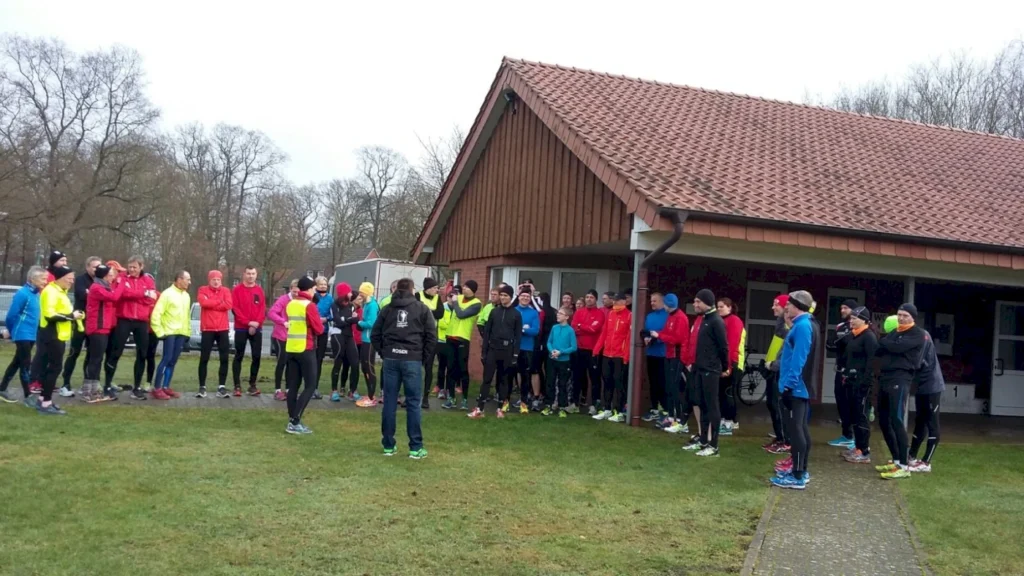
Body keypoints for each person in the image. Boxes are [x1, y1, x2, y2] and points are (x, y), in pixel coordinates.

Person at [371, 277, 434, 458]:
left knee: (390, 401)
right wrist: (422, 357)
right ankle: (415, 447)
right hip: (411, 359)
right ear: (413, 290)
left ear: (397, 289)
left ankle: (388, 445)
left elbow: (375, 334)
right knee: (413, 402)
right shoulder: (422, 309)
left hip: (391, 358)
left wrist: (385, 352)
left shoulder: (387, 309)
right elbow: (431, 336)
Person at [770, 290, 819, 489]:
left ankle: (797, 475)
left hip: (796, 388)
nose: (786, 308)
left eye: (788, 304)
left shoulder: (803, 326)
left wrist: (789, 385)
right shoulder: (804, 324)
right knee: (800, 429)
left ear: (796, 305)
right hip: (797, 386)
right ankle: (801, 471)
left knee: (796, 430)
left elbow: (799, 359)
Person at [875, 304, 926, 480]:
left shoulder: (917, 334)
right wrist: (890, 342)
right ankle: (896, 459)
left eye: (905, 315)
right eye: (899, 315)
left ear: (913, 317)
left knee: (896, 420)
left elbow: (894, 347)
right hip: (885, 378)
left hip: (901, 379)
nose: (901, 318)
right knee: (883, 420)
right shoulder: (896, 333)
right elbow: (881, 347)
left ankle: (904, 465)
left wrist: (890, 343)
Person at [683, 289, 729, 456]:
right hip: (699, 368)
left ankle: (714, 445)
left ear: (707, 302)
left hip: (711, 370)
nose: (695, 305)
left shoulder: (716, 321)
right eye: (694, 302)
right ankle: (703, 441)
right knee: (701, 405)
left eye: (698, 302)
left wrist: (724, 367)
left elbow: (723, 346)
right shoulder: (703, 320)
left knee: (712, 406)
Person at [104, 256, 157, 401]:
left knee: (142, 354)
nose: (132, 269)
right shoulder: (122, 278)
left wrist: (142, 295)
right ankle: (107, 386)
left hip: (141, 321)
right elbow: (121, 294)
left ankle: (137, 387)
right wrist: (142, 293)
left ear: (141, 266)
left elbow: (151, 298)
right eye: (130, 266)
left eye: (135, 267)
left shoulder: (148, 280)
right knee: (116, 352)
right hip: (124, 319)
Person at [33, 266, 82, 415]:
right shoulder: (50, 291)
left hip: (59, 335)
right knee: (54, 368)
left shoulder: (60, 291)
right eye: (69, 279)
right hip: (51, 335)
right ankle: (46, 403)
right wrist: (71, 316)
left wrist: (73, 316)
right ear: (60, 278)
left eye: (73, 279)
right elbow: (49, 315)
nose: (72, 282)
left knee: (53, 368)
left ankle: (43, 399)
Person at [469, 284, 520, 419]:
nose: (503, 298)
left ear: (511, 297)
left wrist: (515, 354)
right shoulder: (494, 311)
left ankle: (500, 409)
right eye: (501, 295)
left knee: (503, 380)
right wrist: (484, 351)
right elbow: (487, 333)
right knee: (486, 379)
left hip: (507, 350)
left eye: (505, 296)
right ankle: (480, 408)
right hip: (493, 349)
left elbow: (518, 336)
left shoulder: (516, 314)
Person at [283, 276, 325, 434]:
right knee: (310, 385)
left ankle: (291, 419)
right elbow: (319, 329)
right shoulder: (309, 305)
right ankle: (295, 421)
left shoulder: (291, 303)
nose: (316, 290)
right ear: (308, 289)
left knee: (293, 385)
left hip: (291, 347)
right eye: (314, 288)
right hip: (306, 348)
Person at [0, 266, 47, 404]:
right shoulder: (22, 293)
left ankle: (2, 389)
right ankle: (27, 396)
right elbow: (11, 315)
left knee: (17, 362)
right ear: (33, 279)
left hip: (31, 334)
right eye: (43, 279)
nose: (45, 281)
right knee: (25, 364)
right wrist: (11, 330)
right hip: (22, 334)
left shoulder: (36, 294)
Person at [842, 306, 879, 464]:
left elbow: (872, 362)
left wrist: (865, 382)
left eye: (854, 318)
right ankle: (857, 446)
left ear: (864, 320)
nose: (851, 320)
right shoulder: (854, 336)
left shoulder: (869, 337)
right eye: (850, 318)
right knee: (853, 416)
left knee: (861, 416)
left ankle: (864, 451)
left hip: (863, 384)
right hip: (851, 381)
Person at [82, 264, 123, 402]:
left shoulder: (102, 286)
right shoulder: (97, 288)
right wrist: (121, 283)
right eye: (110, 275)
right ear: (104, 276)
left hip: (103, 328)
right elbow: (115, 296)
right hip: (97, 328)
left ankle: (92, 390)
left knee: (97, 359)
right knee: (95, 360)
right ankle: (89, 391)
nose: (112, 278)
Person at [60, 256, 100, 396]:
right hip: (80, 322)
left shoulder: (100, 280)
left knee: (91, 355)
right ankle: (65, 383)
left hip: (94, 323)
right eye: (94, 266)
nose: (97, 269)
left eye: (99, 266)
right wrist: (94, 294)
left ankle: (86, 384)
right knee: (74, 353)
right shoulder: (80, 280)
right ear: (88, 267)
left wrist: (93, 293)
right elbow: (82, 295)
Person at [150, 271, 192, 400]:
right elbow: (156, 314)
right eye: (187, 279)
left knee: (173, 361)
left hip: (181, 333)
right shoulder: (167, 294)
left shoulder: (186, 296)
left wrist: (187, 333)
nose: (189, 282)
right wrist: (160, 332)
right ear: (179, 279)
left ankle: (166, 387)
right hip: (169, 333)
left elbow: (186, 317)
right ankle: (157, 388)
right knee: (166, 359)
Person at [908, 328, 944, 473]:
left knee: (932, 422)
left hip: (932, 386)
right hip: (920, 387)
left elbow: (916, 362)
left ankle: (926, 462)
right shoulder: (910, 337)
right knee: (920, 421)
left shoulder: (922, 336)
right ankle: (911, 456)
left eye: (905, 316)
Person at [651, 294, 689, 433]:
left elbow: (677, 339)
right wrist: (654, 335)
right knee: (669, 387)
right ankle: (672, 417)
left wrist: (659, 335)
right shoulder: (671, 316)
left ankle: (679, 420)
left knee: (675, 388)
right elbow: (667, 333)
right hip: (669, 355)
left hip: (677, 356)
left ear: (668, 304)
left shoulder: (680, 317)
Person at [592, 293, 631, 423]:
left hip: (619, 355)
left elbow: (629, 338)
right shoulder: (611, 314)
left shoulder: (629, 316)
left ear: (624, 302)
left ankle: (619, 411)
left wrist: (626, 356)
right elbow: (604, 333)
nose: (615, 303)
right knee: (607, 381)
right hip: (607, 354)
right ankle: (607, 408)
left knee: (619, 383)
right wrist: (596, 349)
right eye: (614, 301)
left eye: (618, 301)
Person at [445, 280, 481, 411]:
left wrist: (454, 302)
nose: (464, 289)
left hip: (462, 339)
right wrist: (450, 299)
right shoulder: (458, 297)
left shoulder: (476, 304)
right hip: (450, 336)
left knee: (462, 369)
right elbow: (450, 306)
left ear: (473, 290)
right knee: (450, 369)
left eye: (467, 287)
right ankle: (451, 398)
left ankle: (465, 399)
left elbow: (461, 314)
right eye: (464, 286)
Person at [762, 295, 791, 454]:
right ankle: (780, 438)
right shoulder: (785, 327)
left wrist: (775, 365)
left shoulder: (795, 328)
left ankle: (785, 440)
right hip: (774, 370)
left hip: (781, 371)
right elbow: (779, 331)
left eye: (776, 305)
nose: (773, 308)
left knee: (779, 407)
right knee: (772, 405)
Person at [197, 270, 233, 399]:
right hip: (208, 329)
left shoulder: (226, 291)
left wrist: (212, 302)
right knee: (204, 358)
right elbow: (203, 303)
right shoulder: (202, 290)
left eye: (218, 279)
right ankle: (202, 387)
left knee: (224, 358)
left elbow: (229, 304)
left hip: (222, 328)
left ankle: (221, 387)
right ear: (209, 280)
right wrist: (219, 302)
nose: (216, 282)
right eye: (214, 279)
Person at [827, 299, 858, 449]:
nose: (843, 311)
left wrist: (842, 343)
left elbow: (852, 346)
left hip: (852, 372)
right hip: (839, 370)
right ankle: (846, 435)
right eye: (841, 308)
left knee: (852, 403)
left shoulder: (858, 327)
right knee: (841, 402)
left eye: (846, 308)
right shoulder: (839, 326)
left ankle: (854, 437)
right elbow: (830, 344)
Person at [231, 266, 266, 397]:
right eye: (248, 273)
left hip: (257, 327)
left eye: (253, 273)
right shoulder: (237, 290)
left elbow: (262, 309)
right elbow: (235, 309)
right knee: (238, 356)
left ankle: (252, 385)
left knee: (256, 356)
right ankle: (237, 386)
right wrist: (248, 322)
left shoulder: (259, 290)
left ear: (256, 275)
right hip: (241, 328)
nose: (251, 276)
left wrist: (256, 323)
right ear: (244, 274)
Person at [571, 289, 604, 415]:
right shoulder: (579, 312)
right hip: (579, 349)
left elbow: (594, 329)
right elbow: (574, 327)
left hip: (593, 350)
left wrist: (581, 326)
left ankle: (594, 404)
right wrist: (583, 327)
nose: (589, 299)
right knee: (577, 376)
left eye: (591, 297)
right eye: (587, 297)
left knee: (594, 378)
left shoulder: (600, 313)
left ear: (595, 299)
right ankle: (575, 403)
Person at [717, 297, 746, 435]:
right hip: (723, 362)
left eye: (722, 306)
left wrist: (727, 366)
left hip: (733, 362)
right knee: (722, 393)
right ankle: (726, 420)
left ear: (729, 307)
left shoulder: (734, 321)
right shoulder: (721, 320)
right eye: (718, 307)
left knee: (729, 393)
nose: (719, 309)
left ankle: (729, 422)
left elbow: (731, 344)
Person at [415, 278, 446, 410]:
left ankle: (426, 397)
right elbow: (415, 311)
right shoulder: (418, 295)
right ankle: (412, 396)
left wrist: (426, 311)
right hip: (417, 336)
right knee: (414, 368)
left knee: (428, 368)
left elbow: (440, 313)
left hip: (431, 336)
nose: (437, 290)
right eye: (434, 288)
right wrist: (429, 312)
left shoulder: (437, 298)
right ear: (428, 288)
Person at [268, 279, 300, 401]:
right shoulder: (283, 299)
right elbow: (271, 313)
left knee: (291, 363)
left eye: (299, 292)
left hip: (293, 337)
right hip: (280, 336)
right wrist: (283, 322)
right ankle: (277, 390)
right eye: (294, 291)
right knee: (282, 362)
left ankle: (288, 389)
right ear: (290, 289)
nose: (296, 294)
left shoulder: (301, 301)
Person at [543, 306, 577, 417]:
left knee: (562, 384)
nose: (558, 315)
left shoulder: (570, 330)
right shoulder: (554, 327)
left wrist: (560, 352)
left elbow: (573, 347)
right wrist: (552, 350)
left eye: (561, 313)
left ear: (567, 317)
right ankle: (549, 405)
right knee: (550, 382)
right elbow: (549, 342)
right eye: (558, 313)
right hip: (552, 359)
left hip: (564, 361)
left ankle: (562, 407)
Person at [329, 282, 360, 402]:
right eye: (349, 291)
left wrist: (347, 320)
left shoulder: (351, 306)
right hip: (337, 335)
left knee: (355, 363)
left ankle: (352, 390)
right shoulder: (334, 305)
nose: (351, 293)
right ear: (343, 293)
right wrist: (349, 320)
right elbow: (337, 321)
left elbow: (356, 320)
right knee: (338, 362)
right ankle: (334, 390)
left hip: (349, 335)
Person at [641, 292, 669, 422]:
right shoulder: (650, 316)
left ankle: (665, 409)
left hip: (663, 354)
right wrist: (646, 338)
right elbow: (646, 331)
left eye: (655, 301)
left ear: (662, 302)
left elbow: (667, 334)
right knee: (652, 382)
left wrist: (657, 338)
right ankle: (654, 409)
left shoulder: (668, 316)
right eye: (651, 301)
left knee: (662, 382)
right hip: (650, 353)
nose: (652, 303)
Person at [514, 290, 541, 414]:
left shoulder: (533, 313)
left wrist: (523, 331)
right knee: (517, 373)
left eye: (527, 296)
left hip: (527, 347)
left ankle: (528, 399)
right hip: (514, 347)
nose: (525, 298)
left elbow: (535, 331)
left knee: (526, 374)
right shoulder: (514, 311)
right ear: (518, 297)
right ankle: (521, 397)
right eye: (523, 296)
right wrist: (523, 328)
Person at [354, 282, 381, 406]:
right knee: (364, 367)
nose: (359, 295)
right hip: (365, 339)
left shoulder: (372, 305)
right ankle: (369, 394)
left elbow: (371, 323)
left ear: (366, 293)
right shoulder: (366, 304)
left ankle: (371, 397)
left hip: (370, 340)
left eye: (361, 293)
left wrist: (358, 322)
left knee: (369, 367)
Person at [310, 276, 333, 400]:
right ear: (316, 285)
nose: (323, 286)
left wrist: (326, 319)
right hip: (311, 331)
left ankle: (315, 388)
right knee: (309, 359)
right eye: (321, 284)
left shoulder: (330, 298)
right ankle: (307, 386)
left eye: (325, 284)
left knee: (319, 360)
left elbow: (333, 314)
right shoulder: (313, 297)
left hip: (323, 331)